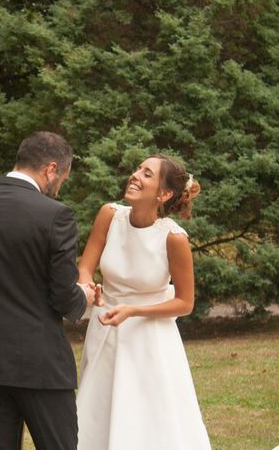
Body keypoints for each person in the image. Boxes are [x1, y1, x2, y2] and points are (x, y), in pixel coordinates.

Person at [0, 131, 97, 450]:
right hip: (38, 362)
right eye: (62, 179)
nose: (58, 188)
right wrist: (83, 297)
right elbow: (62, 295)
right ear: (51, 168)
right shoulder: (55, 215)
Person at [76, 154, 211, 449]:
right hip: (106, 329)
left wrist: (134, 310)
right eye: (138, 169)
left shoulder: (174, 238)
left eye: (147, 174)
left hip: (150, 338)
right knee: (97, 411)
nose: (136, 175)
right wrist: (87, 286)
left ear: (164, 194)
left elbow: (185, 303)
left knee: (147, 417)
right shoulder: (109, 215)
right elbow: (85, 266)